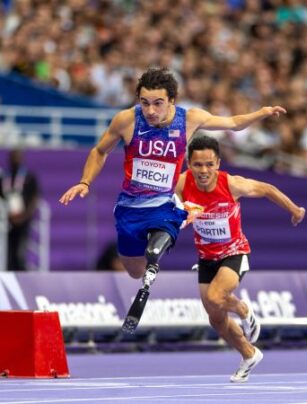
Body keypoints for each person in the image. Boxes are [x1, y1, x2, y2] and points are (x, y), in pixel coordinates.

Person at [59, 67, 286, 291]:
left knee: (167, 223)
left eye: (157, 103)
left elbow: (234, 123)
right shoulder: (126, 120)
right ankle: (151, 252)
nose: (150, 110)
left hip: (164, 202)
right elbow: (100, 151)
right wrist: (85, 181)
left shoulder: (189, 119)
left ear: (172, 101)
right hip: (130, 207)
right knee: (134, 271)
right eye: (144, 102)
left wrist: (261, 113)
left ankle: (160, 243)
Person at [175, 135, 305, 383]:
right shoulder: (181, 183)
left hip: (234, 253)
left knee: (215, 296)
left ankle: (244, 310)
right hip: (206, 258)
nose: (204, 170)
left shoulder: (232, 184)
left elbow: (268, 189)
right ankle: (249, 354)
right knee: (216, 318)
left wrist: (294, 210)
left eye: (209, 164)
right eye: (198, 165)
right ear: (189, 164)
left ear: (218, 163)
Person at [1, 149, 40, 271]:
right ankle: (8, 273)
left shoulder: (29, 177)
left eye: (18, 156)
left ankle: (20, 273)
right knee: (8, 250)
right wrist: (7, 215)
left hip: (24, 220)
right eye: (13, 156)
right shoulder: (4, 177)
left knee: (20, 250)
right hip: (6, 220)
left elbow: (35, 198)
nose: (15, 159)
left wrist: (24, 216)